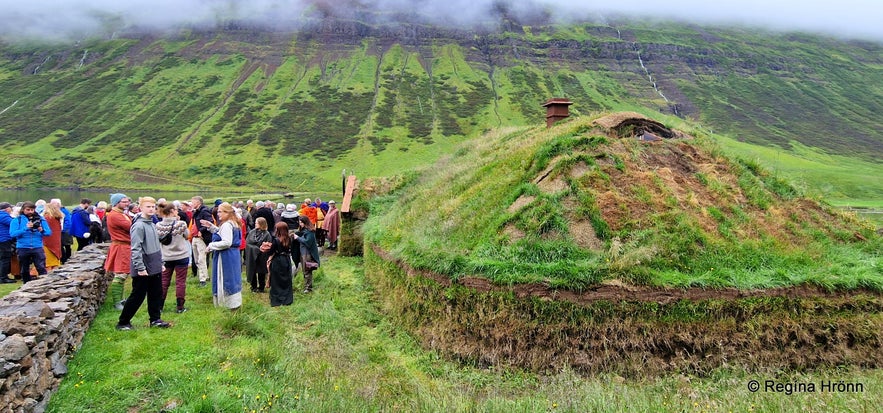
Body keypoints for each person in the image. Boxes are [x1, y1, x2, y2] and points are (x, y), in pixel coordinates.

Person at [116, 197, 170, 330]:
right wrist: (140, 267)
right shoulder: (138, 226)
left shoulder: (151, 224)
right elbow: (136, 248)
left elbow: (156, 245)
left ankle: (155, 319)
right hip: (143, 267)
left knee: (156, 293)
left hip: (154, 265)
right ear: (141, 208)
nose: (151, 209)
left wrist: (160, 262)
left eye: (153, 207)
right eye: (148, 207)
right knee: (138, 295)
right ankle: (123, 322)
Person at [202, 202, 242, 310]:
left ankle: (226, 304)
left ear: (227, 213)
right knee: (233, 278)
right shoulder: (234, 223)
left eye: (220, 211)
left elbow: (226, 242)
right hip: (233, 255)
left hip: (226, 257)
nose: (218, 214)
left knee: (225, 279)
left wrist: (211, 245)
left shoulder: (227, 225)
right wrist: (212, 228)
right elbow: (223, 234)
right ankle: (234, 303)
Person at [155, 201, 190, 314]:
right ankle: (180, 306)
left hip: (166, 256)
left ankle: (159, 306)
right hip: (181, 255)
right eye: (175, 209)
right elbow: (187, 235)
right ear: (171, 211)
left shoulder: (158, 226)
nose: (177, 211)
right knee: (180, 281)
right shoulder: (181, 224)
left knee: (164, 281)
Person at [9, 201, 52, 283]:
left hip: (37, 246)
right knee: (24, 269)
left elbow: (48, 233)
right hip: (23, 247)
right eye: (28, 210)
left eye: (32, 210)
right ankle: (26, 285)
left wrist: (41, 230)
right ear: (23, 210)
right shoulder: (17, 220)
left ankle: (44, 284)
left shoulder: (41, 220)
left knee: (41, 267)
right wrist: (26, 228)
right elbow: (13, 233)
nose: (30, 212)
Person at [105, 194, 133, 310]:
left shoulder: (121, 213)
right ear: (116, 203)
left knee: (124, 273)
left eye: (127, 201)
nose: (127, 204)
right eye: (124, 202)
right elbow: (131, 226)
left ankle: (121, 300)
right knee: (121, 274)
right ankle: (117, 303)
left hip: (125, 246)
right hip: (121, 247)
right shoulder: (115, 215)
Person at [262, 221, 297, 306]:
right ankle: (287, 298)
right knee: (286, 279)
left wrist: (265, 249)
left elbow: (271, 252)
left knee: (276, 279)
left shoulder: (276, 240)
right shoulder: (290, 238)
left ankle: (277, 299)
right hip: (286, 259)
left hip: (277, 260)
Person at [190, 196, 214, 287]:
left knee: (201, 259)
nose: (191, 204)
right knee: (196, 259)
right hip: (194, 237)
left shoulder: (204, 211)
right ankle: (206, 275)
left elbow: (210, 222)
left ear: (198, 202)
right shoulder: (196, 212)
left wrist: (202, 230)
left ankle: (202, 279)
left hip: (202, 238)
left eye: (193, 202)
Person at [292, 215, 320, 293]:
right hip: (303, 252)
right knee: (305, 271)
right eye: (299, 222)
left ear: (305, 222)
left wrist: (297, 238)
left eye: (301, 222)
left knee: (307, 271)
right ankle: (306, 286)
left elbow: (307, 242)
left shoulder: (310, 231)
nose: (300, 224)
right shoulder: (304, 230)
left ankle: (308, 288)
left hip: (307, 254)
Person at [245, 217, 272, 293]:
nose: (255, 224)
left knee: (261, 272)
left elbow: (268, 244)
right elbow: (247, 243)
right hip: (252, 255)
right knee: (252, 271)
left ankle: (261, 287)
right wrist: (256, 249)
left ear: (261, 224)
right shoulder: (252, 232)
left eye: (256, 223)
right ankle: (253, 286)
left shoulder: (267, 234)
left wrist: (263, 248)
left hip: (262, 256)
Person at [42, 201, 65, 272]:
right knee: (55, 262)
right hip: (56, 242)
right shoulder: (57, 219)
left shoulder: (47, 218)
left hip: (47, 242)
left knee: (48, 263)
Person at [0, 202, 16, 283]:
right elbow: (13, 223)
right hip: (4, 239)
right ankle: (3, 277)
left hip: (2, 239)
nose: (11, 210)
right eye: (10, 208)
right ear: (7, 208)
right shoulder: (3, 215)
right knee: (5, 258)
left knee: (3, 258)